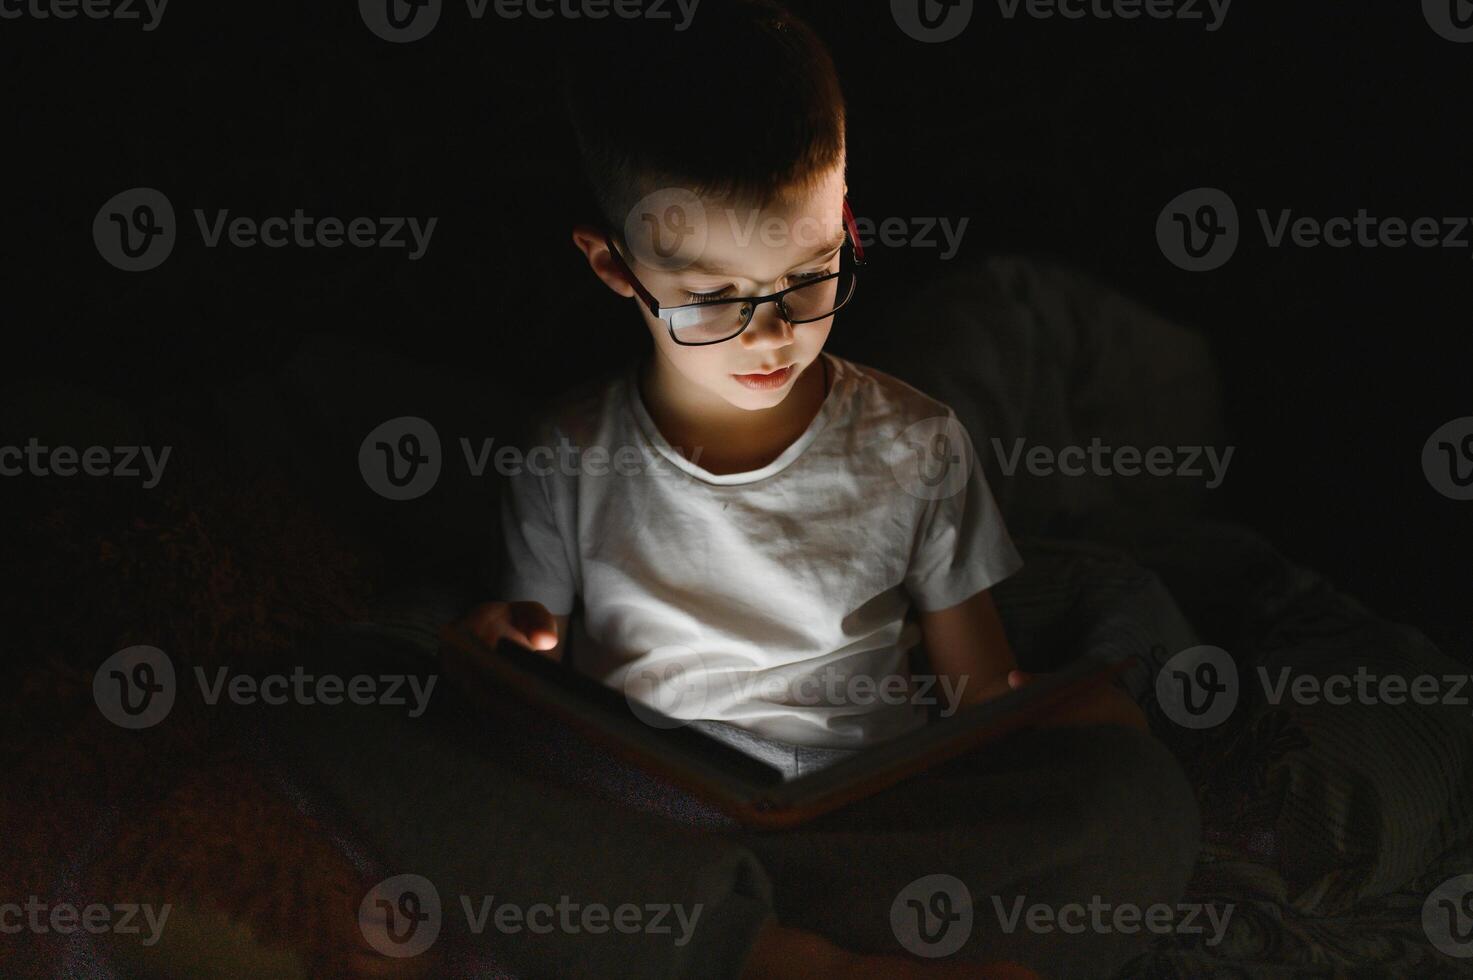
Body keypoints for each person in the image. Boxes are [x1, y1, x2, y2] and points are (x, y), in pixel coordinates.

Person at [448, 2, 1201, 976]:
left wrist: (1053, 714)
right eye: (715, 299)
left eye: (809, 275)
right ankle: (782, 953)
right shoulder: (566, 452)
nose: (772, 334)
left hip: (865, 830)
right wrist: (499, 653)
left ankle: (736, 940)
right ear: (614, 265)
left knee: (1134, 803)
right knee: (374, 761)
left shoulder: (918, 444)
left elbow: (976, 682)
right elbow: (529, 662)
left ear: (846, 216)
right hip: (644, 829)